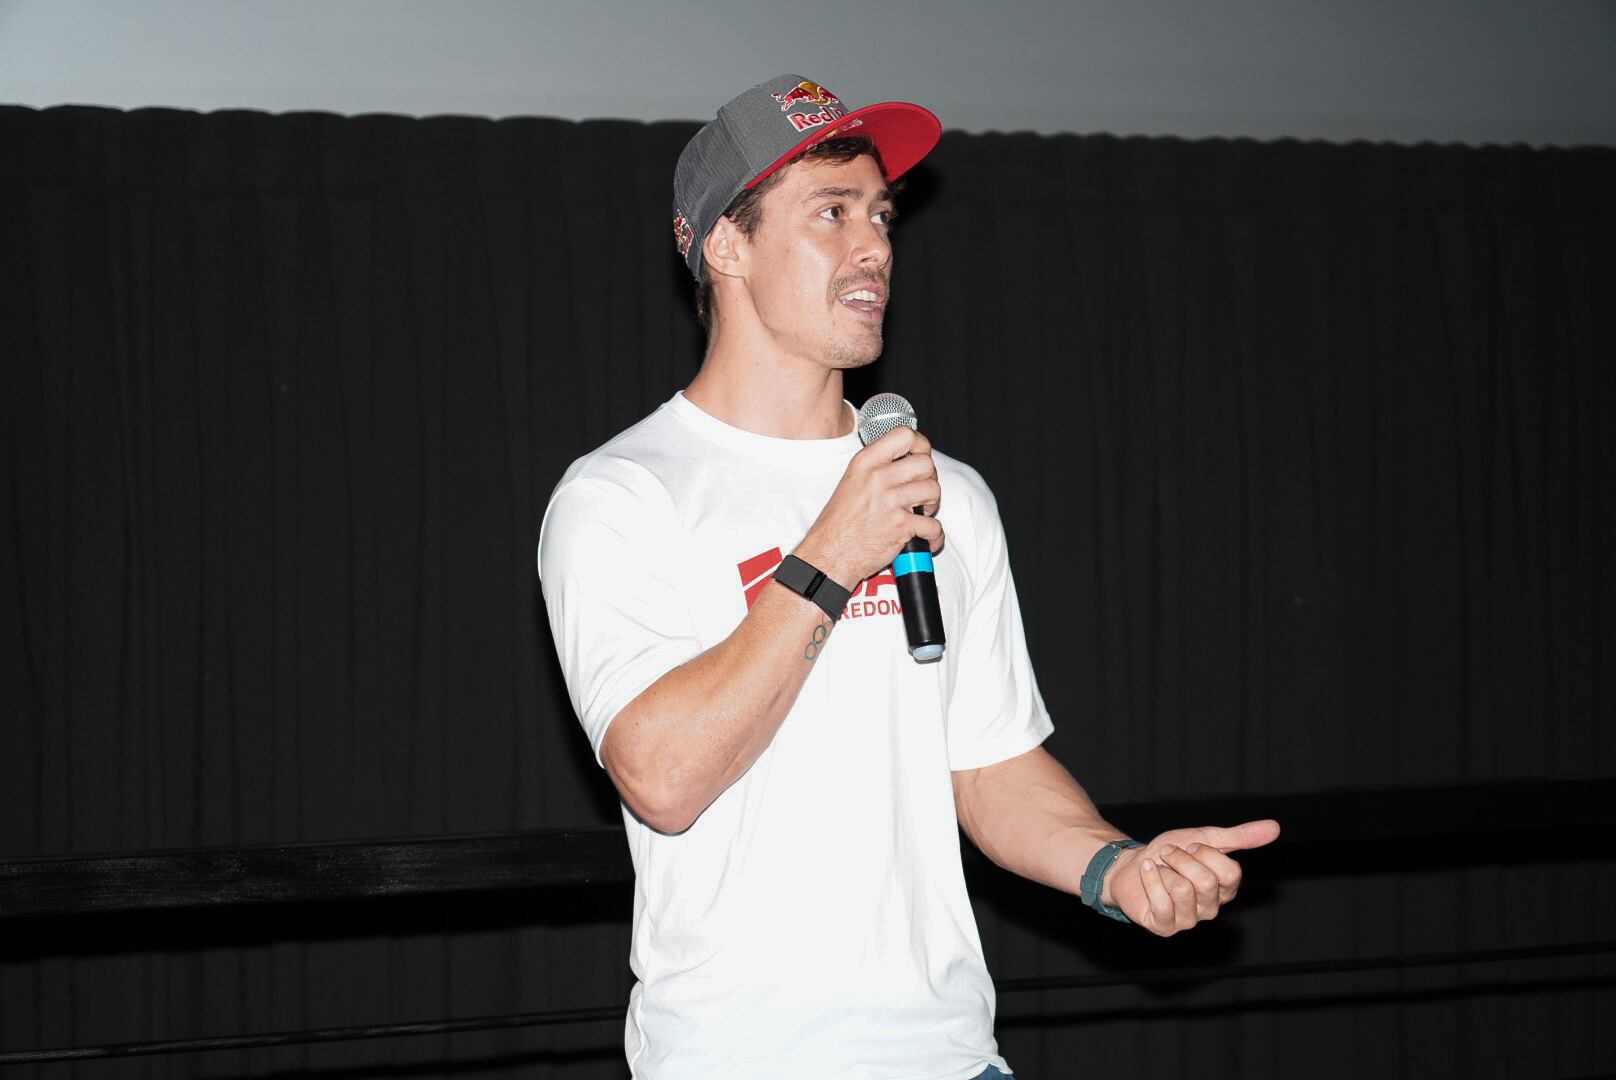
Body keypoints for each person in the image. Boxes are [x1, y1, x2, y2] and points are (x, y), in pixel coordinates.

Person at [538, 73, 1280, 1080]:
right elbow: (662, 779)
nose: (874, 246)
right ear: (725, 244)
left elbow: (988, 768)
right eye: (830, 212)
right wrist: (831, 555)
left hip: (949, 1057)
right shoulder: (623, 495)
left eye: (880, 214)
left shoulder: (944, 493)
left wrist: (1113, 867)